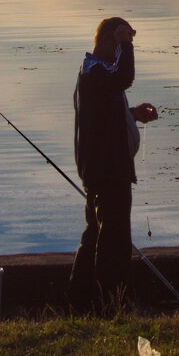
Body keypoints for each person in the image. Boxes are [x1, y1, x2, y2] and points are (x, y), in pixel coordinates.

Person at [67, 17, 158, 312]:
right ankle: (112, 305)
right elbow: (123, 77)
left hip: (102, 170)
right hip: (108, 172)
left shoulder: (96, 72)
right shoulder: (96, 70)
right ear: (107, 40)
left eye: (128, 40)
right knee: (114, 243)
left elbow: (104, 111)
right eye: (120, 40)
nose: (123, 47)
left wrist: (132, 113)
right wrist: (126, 46)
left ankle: (80, 300)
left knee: (96, 234)